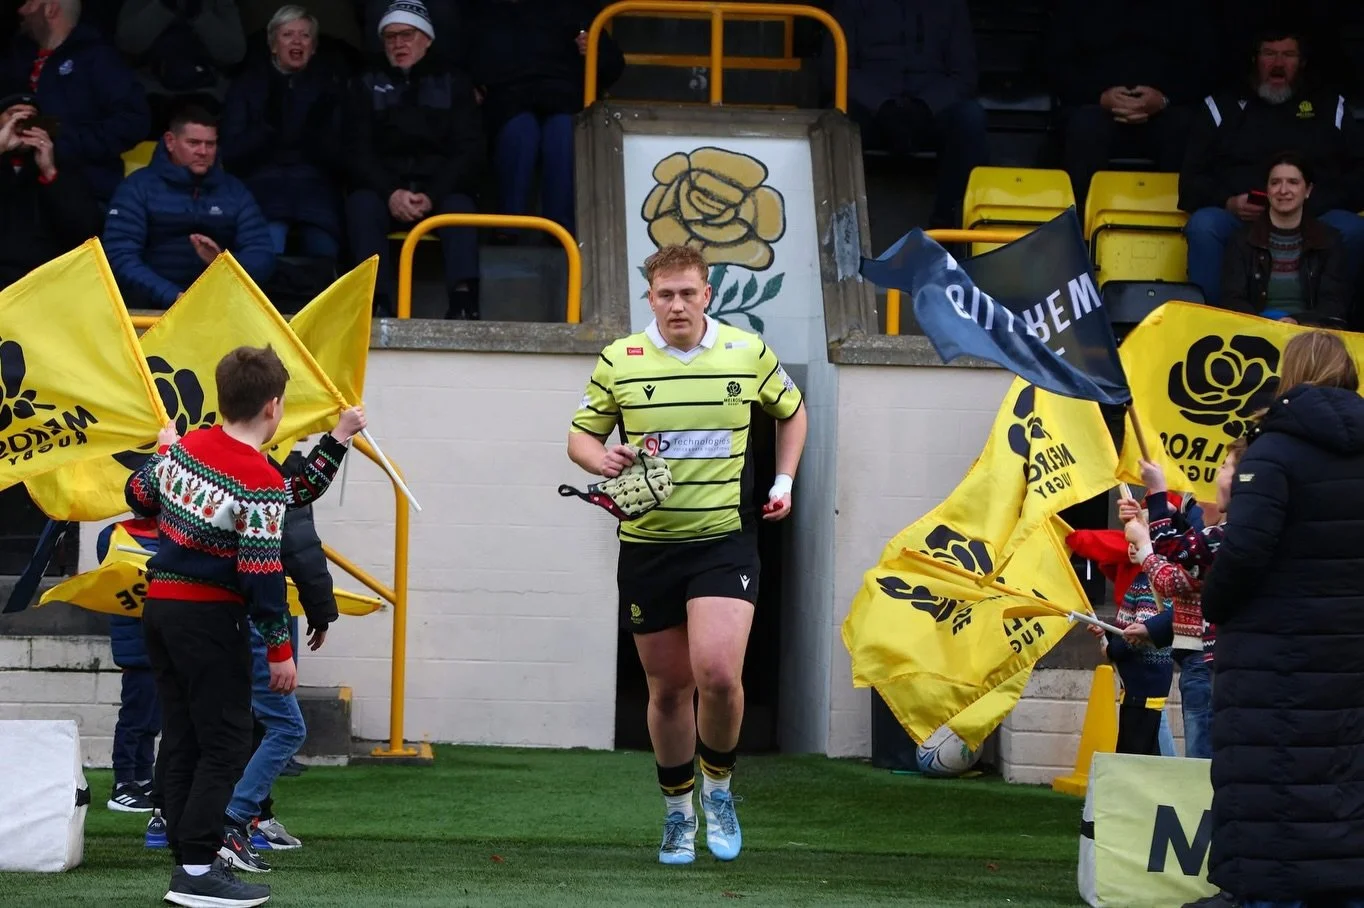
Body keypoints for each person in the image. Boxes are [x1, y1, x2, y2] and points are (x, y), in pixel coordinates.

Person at [566, 244, 808, 865]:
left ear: (708, 295)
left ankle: (720, 788)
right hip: (648, 547)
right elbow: (580, 436)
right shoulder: (621, 359)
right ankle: (678, 812)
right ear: (650, 299)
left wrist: (782, 481)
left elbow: (793, 411)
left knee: (719, 675)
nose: (677, 304)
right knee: (669, 689)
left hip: (725, 540)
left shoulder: (746, 351)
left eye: (688, 293)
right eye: (665, 294)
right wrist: (604, 458)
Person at [125, 345, 364, 908]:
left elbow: (137, 494)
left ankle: (188, 858)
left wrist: (337, 439)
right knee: (227, 744)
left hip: (160, 609)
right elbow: (261, 573)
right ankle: (200, 869)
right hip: (210, 618)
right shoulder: (254, 477)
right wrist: (280, 649)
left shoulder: (189, 448)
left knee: (183, 734)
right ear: (274, 407)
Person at [1199, 331, 1364, 907]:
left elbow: (1244, 552)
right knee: (1345, 787)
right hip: (1350, 654)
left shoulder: (1272, 450)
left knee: (1273, 791)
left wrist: (1214, 606)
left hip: (1274, 654)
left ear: (1289, 375)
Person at [1179, 28, 1364, 306]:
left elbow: (1359, 176)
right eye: (1269, 54)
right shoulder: (1221, 106)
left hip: (1314, 219)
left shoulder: (1329, 106)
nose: (1278, 64)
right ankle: (1212, 326)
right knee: (1205, 225)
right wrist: (1228, 202)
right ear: (1255, 59)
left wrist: (1306, 204)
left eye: (1288, 55)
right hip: (1242, 222)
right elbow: (1190, 182)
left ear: (1302, 62)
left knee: (1352, 228)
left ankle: (1337, 327)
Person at [221, 444, 340, 870]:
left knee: (205, 725)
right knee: (285, 727)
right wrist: (281, 645)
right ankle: (234, 821)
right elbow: (277, 565)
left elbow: (138, 492)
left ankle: (176, 820)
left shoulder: (196, 463)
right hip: (244, 623)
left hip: (194, 620)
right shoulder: (266, 480)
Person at [344, 0, 485, 319]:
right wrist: (390, 193)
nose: (398, 44)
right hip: (386, 191)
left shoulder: (454, 82)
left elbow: (468, 149)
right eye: (390, 37)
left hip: (438, 190)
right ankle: (373, 303)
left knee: (460, 209)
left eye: (406, 35)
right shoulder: (365, 83)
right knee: (361, 205)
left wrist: (432, 195)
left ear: (427, 38)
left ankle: (464, 303)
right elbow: (356, 150)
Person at [466, 0, 623, 239]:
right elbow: (465, 56)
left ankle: (560, 229)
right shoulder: (487, 10)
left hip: (561, 98)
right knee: (521, 133)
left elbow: (614, 65)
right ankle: (509, 223)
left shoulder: (573, 8)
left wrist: (594, 50)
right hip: (509, 99)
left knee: (562, 133)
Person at [825, 0, 989, 229]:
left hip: (930, 110)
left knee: (970, 118)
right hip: (872, 111)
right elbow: (836, 67)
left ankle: (947, 226)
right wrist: (881, 105)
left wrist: (927, 106)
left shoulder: (951, 5)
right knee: (834, 122)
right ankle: (841, 227)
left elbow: (964, 75)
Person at [103, 106, 275, 309]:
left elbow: (263, 257)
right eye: (193, 143)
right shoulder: (137, 188)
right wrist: (172, 295)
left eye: (210, 144)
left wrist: (222, 262)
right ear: (170, 142)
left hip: (221, 304)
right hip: (151, 306)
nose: (203, 151)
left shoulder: (235, 191)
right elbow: (120, 257)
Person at [1047, 0, 1213, 210]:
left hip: (1166, 110)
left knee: (1187, 128)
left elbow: (1205, 68)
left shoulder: (1186, 8)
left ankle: (1176, 225)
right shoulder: (1078, 7)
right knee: (1083, 127)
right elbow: (1057, 65)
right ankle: (1082, 227)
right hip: (1097, 109)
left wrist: (1164, 98)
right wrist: (1100, 96)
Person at [220, 5, 346, 260]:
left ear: (314, 47)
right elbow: (230, 154)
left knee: (325, 252)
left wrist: (316, 137)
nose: (297, 41)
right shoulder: (247, 85)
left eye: (305, 35)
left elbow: (344, 156)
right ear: (273, 45)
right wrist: (267, 129)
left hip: (315, 190)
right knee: (266, 251)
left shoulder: (332, 87)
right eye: (288, 35)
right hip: (262, 187)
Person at [2, 0, 150, 201]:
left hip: (85, 194)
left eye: (29, 4)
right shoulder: (17, 55)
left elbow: (133, 121)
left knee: (90, 233)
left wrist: (60, 142)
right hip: (21, 194)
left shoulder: (97, 56)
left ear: (49, 9)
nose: (20, 10)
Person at [1221, 151, 1349, 326]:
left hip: (1310, 335)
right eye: (1275, 183)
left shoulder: (1328, 240)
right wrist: (1265, 323)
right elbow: (1232, 299)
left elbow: (1334, 304)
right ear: (1267, 190)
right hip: (1255, 331)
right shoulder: (1242, 240)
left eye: (1293, 182)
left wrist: (1297, 321)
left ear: (1308, 190)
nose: (1283, 190)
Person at [1087, 504, 1173, 756]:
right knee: (1144, 748)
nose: (1131, 545)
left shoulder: (1150, 584)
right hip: (1139, 684)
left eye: (1138, 538)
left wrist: (1111, 645)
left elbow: (1137, 637)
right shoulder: (1142, 581)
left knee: (1138, 752)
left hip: (1145, 683)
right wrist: (1105, 636)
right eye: (1129, 538)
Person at [0, 91, 103, 289]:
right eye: (13, 115)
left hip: (43, 280)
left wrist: (50, 173)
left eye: (32, 118)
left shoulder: (62, 167)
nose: (22, 122)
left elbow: (86, 231)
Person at [102, 517, 162, 813]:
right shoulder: (115, 535)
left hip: (162, 640)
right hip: (137, 643)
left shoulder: (170, 532)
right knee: (135, 717)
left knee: (153, 718)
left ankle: (142, 776)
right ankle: (123, 783)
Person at [115, 0, 247, 134]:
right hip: (151, 91)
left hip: (205, 92)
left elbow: (235, 53)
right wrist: (164, 7)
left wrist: (199, 17)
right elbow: (127, 42)